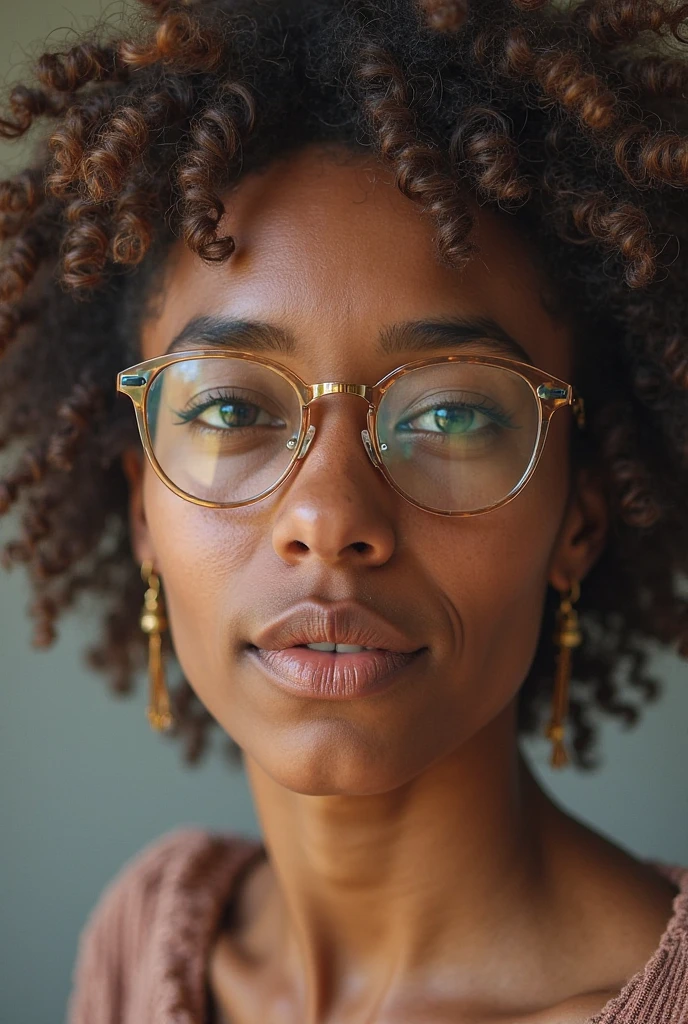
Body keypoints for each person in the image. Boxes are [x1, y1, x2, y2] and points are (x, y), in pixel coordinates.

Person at [1, 0, 687, 1021]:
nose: (327, 517)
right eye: (230, 404)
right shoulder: (148, 939)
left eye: (449, 411)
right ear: (141, 503)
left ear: (577, 517)